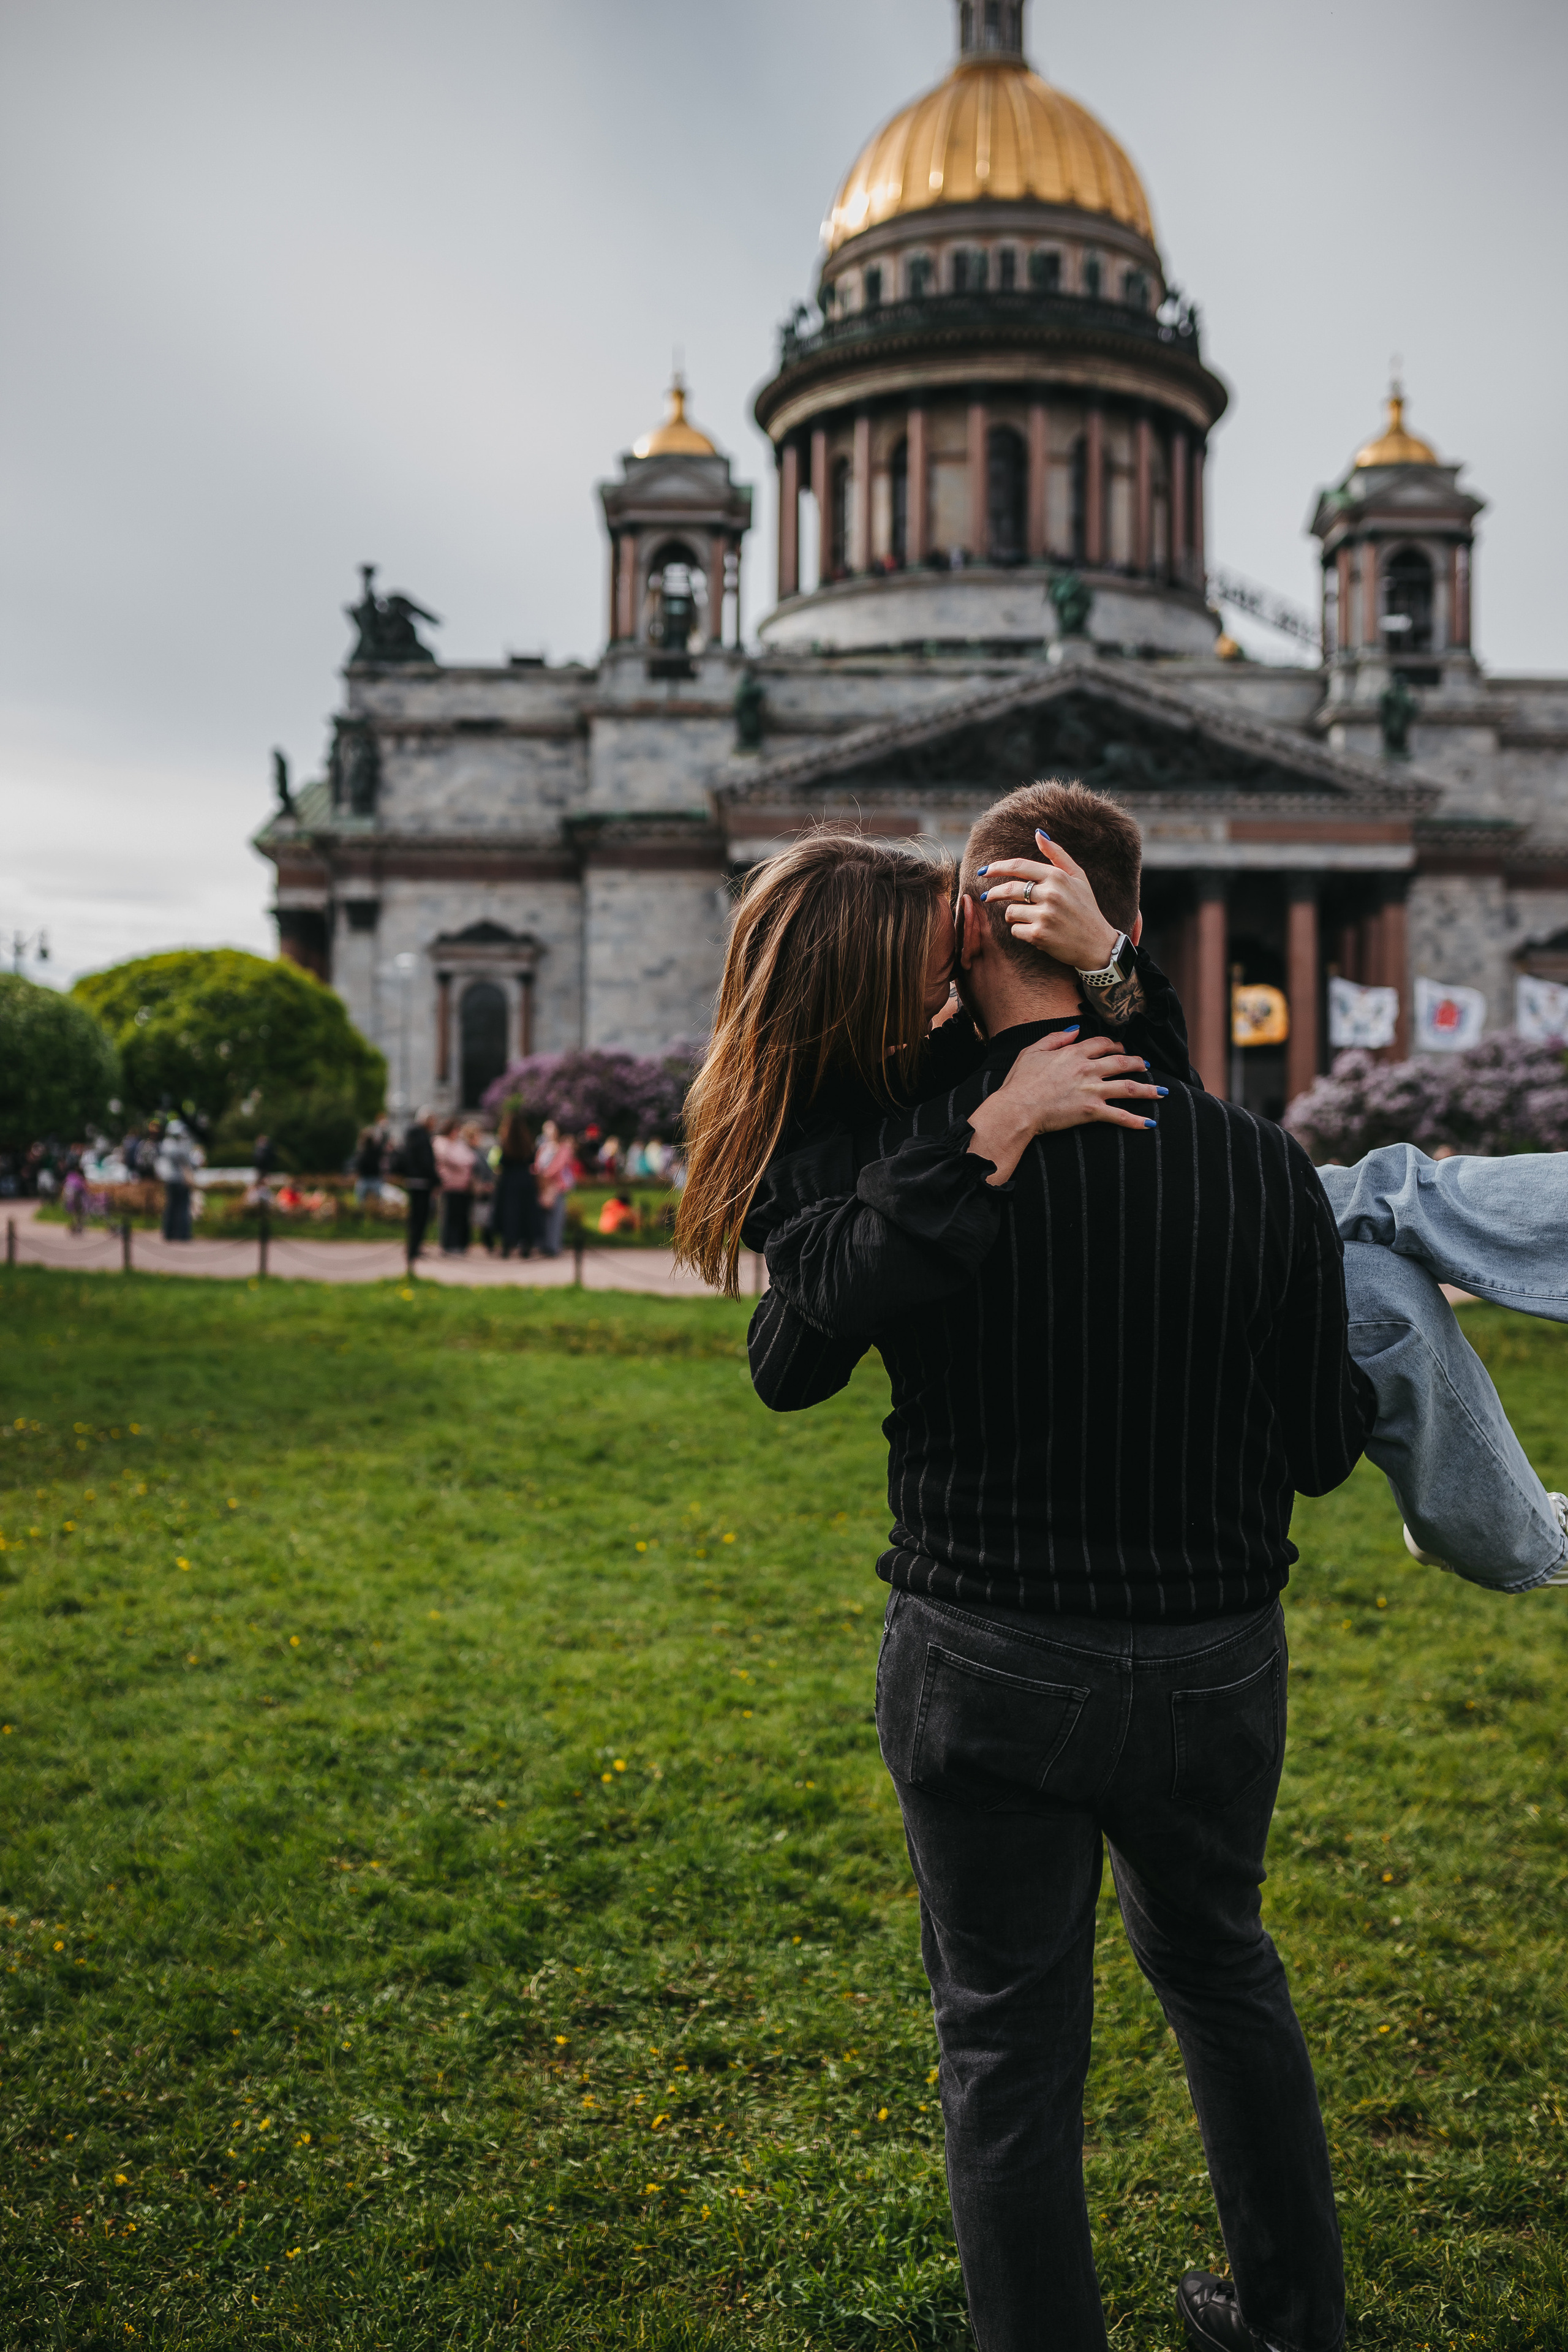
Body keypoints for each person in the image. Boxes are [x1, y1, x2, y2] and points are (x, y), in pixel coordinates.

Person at [679, 790, 1568, 2352]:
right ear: (1110, 920)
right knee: (1224, 1975)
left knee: (1008, 2050)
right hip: (1212, 1655)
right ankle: (1295, 2326)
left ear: (982, 927)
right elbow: (1308, 1448)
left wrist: (1000, 1116)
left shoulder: (909, 1156)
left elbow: (794, 1340)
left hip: (984, 1654)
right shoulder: (1250, 1164)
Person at [493, 1107, 539, 1257]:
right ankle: (526, 1245)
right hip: (525, 1181)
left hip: (509, 1181)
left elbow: (502, 1162)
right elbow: (531, 1160)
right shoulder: (527, 1141)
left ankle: (507, 1245)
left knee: (509, 1213)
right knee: (525, 1213)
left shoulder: (506, 1141)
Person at [394, 1111, 438, 1268]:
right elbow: (427, 1162)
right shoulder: (423, 1137)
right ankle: (414, 1249)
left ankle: (413, 1247)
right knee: (421, 1216)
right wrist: (436, 1180)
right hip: (423, 1182)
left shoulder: (411, 1136)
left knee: (415, 1217)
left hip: (412, 1181)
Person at [534, 1121, 579, 1259]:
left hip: (556, 1186)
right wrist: (539, 1176)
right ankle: (543, 1244)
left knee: (556, 1217)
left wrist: (546, 1175)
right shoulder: (543, 1148)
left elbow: (559, 1166)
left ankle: (553, 1246)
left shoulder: (563, 1148)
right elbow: (537, 1164)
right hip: (543, 1185)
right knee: (543, 1217)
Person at [433, 1118, 476, 1253]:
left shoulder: (459, 1144)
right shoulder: (441, 1142)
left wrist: (461, 1162)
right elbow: (450, 1159)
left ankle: (460, 1244)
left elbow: (470, 1159)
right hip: (449, 1186)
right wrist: (461, 1163)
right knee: (449, 1217)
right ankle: (448, 1244)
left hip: (463, 1187)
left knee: (461, 1217)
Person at [156, 1117, 202, 1242]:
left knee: (171, 1207)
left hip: (170, 1179)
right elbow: (190, 1162)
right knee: (182, 1207)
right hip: (181, 1180)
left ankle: (169, 1233)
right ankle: (183, 1234)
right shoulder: (182, 1145)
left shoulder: (166, 1144)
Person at [353, 1125, 386, 1204]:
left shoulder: (374, 1150)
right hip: (366, 1178)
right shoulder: (363, 1151)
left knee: (374, 1199)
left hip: (373, 1178)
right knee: (362, 1199)